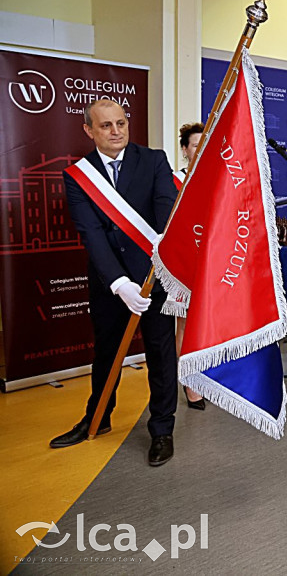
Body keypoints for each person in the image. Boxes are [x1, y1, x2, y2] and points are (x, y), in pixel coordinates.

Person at [51, 100, 178, 467]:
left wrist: (146, 273)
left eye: (120, 123)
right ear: (89, 131)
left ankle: (162, 429)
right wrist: (120, 283)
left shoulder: (153, 160)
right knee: (107, 351)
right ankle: (98, 418)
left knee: (159, 352)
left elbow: (165, 212)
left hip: (153, 277)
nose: (116, 131)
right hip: (111, 283)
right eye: (105, 126)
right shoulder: (78, 175)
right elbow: (90, 233)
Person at [174, 123, 205, 410]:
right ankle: (189, 380)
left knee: (207, 320)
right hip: (184, 261)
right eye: (195, 144)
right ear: (185, 149)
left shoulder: (217, 178)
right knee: (185, 320)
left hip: (210, 262)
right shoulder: (172, 181)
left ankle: (208, 373)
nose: (200, 148)